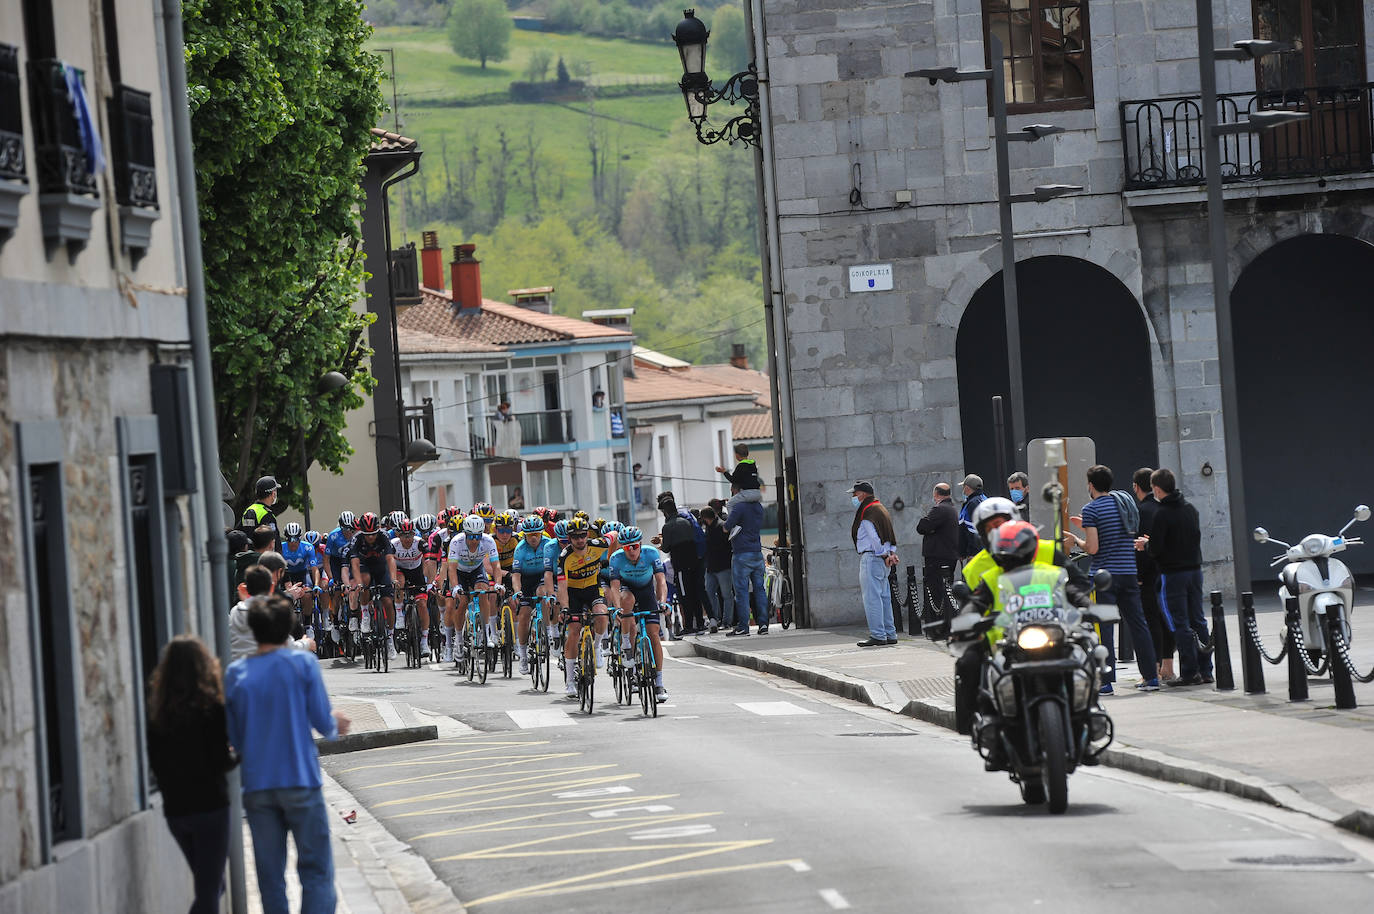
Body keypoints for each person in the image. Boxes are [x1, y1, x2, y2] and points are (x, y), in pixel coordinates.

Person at [225, 596, 349, 914]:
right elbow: (323, 722)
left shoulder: (236, 674)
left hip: (257, 787)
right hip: (300, 780)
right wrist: (336, 722)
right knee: (316, 870)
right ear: (287, 630)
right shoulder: (302, 664)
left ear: (253, 630)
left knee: (270, 876)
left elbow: (234, 739)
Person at [146, 636, 237, 914]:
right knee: (209, 890)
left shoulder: (158, 717)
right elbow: (221, 761)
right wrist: (239, 754)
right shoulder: (211, 711)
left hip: (176, 812)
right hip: (210, 808)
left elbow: (156, 765)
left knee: (211, 885)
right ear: (203, 667)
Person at [1066, 465, 1160, 693]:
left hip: (1103, 577)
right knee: (1138, 624)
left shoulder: (1091, 509)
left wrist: (1076, 541)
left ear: (1090, 485)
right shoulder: (1125, 504)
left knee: (1103, 629)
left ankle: (1106, 681)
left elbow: (1093, 548)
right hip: (1128, 571)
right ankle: (1150, 677)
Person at [1137, 468, 1211, 686]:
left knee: (1178, 621)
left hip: (1172, 574)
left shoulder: (1162, 513)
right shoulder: (1190, 509)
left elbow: (1157, 549)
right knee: (1198, 619)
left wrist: (1146, 544)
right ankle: (1206, 669)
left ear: (1157, 489)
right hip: (1195, 570)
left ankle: (1189, 672)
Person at [607, 526, 671, 701]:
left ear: (640, 544)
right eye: (627, 548)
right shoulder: (616, 558)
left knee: (653, 635)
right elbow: (614, 586)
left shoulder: (650, 554)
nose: (632, 551)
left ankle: (659, 683)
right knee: (626, 602)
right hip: (628, 590)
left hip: (646, 591)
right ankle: (627, 643)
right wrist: (617, 608)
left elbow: (661, 581)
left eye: (634, 546)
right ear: (622, 548)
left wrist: (663, 602)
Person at [557, 516, 612, 696]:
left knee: (602, 616)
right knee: (574, 630)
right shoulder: (565, 557)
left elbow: (616, 535)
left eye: (582, 535)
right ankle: (570, 680)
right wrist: (564, 608)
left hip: (593, 589)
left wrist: (610, 559)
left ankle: (596, 646)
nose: (580, 540)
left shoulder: (597, 544)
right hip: (573, 594)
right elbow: (562, 586)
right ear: (569, 538)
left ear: (587, 535)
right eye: (575, 537)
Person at [1133, 467, 1175, 681]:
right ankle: (1168, 666)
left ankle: (1155, 668)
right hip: (1168, 571)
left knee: (1152, 621)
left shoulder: (1140, 511)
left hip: (1149, 574)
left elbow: (1139, 546)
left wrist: (1139, 574)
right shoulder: (1164, 508)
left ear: (1136, 487)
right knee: (1167, 619)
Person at [851, 481, 900, 647]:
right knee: (884, 597)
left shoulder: (867, 511)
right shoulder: (880, 508)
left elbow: (874, 538)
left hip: (872, 558)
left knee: (872, 598)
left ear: (863, 494)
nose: (854, 497)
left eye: (855, 494)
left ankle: (878, 635)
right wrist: (891, 553)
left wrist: (884, 554)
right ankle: (890, 633)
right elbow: (889, 534)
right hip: (882, 559)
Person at [916, 482, 960, 638]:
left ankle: (939, 628)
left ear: (936, 495)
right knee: (946, 592)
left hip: (938, 558)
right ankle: (945, 626)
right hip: (949, 556)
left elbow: (922, 527)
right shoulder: (952, 509)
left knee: (937, 592)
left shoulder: (939, 510)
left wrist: (928, 526)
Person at [659, 497, 707, 635]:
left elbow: (667, 548)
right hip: (694, 563)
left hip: (680, 566)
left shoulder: (667, 526)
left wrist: (661, 544)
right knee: (695, 593)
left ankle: (688, 626)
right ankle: (700, 623)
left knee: (685, 595)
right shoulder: (686, 522)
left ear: (665, 512)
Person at [715, 443, 764, 537]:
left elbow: (733, 480)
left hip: (747, 493)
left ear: (737, 455)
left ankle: (733, 526)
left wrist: (724, 472)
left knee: (730, 504)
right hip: (757, 493)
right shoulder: (753, 464)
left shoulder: (741, 466)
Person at [700, 506, 734, 633]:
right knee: (711, 594)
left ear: (705, 518)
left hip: (722, 566)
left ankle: (726, 621)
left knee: (725, 595)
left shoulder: (721, 526)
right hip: (713, 567)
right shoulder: (711, 527)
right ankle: (715, 619)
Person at [957, 474, 988, 559]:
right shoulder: (984, 499)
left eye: (963, 487)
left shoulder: (972, 504)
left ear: (967, 488)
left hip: (976, 554)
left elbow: (972, 531)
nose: (963, 490)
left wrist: (968, 553)